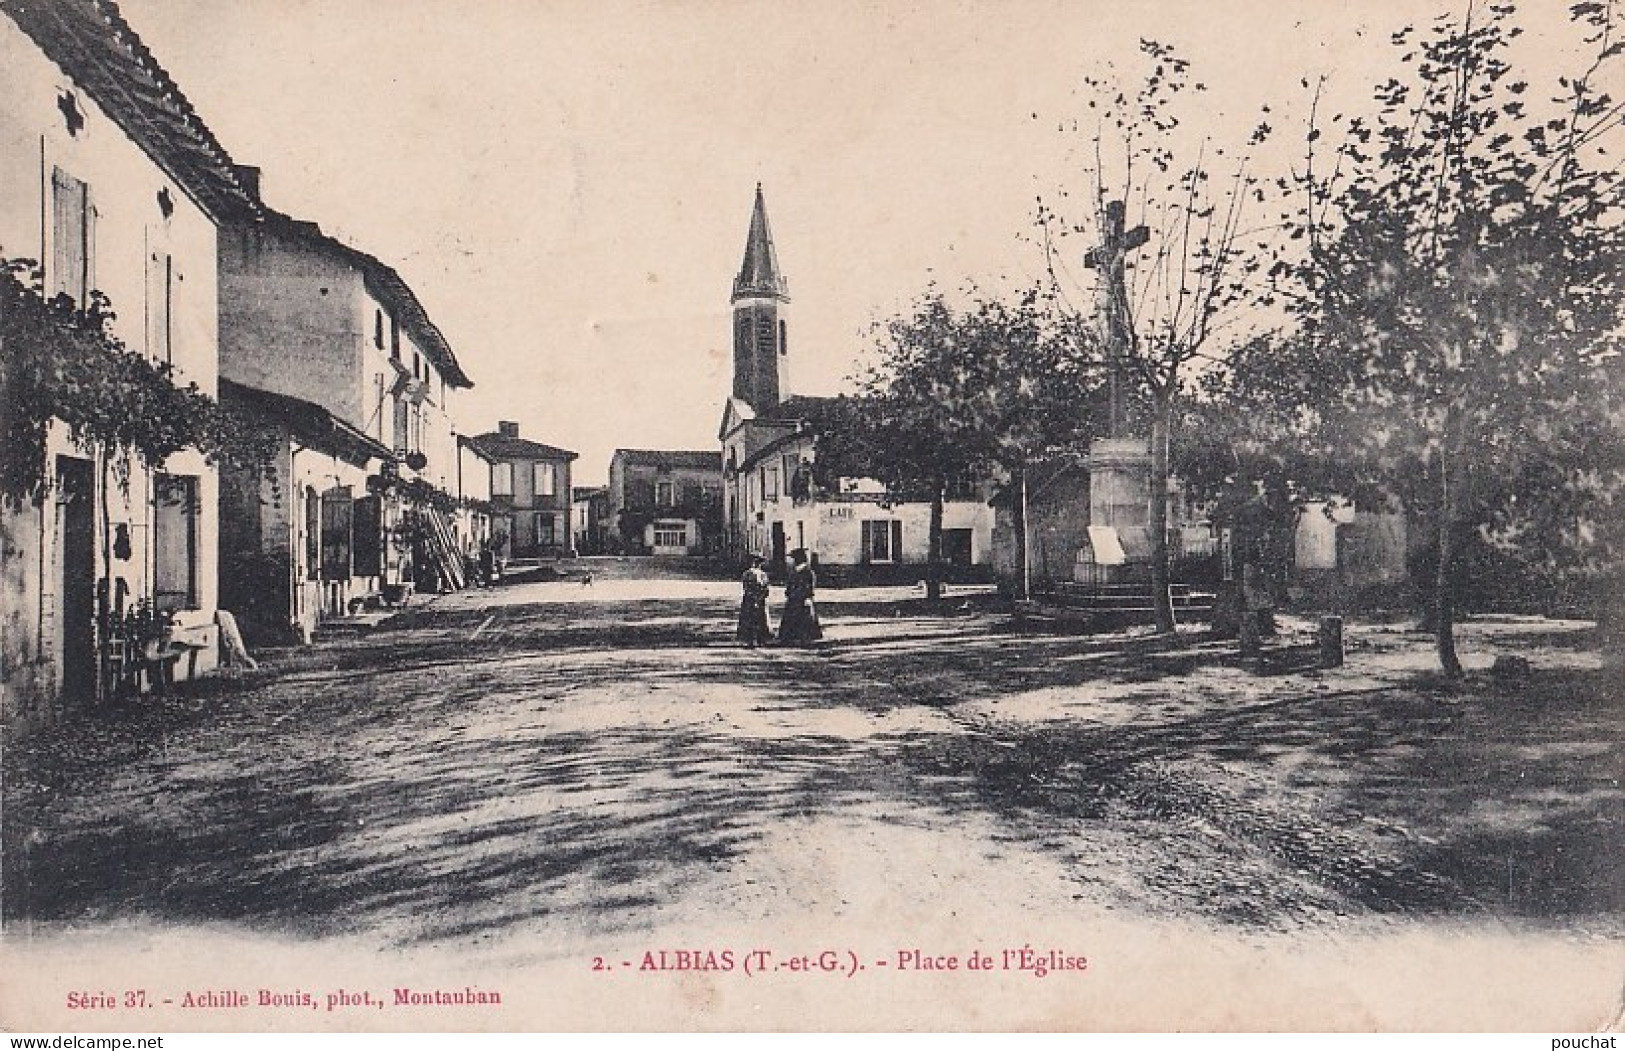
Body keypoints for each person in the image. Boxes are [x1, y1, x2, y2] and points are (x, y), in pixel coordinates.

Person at [777, 548, 823, 646]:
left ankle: (806, 638)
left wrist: (808, 596)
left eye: (795, 558)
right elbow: (790, 584)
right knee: (791, 617)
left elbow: (810, 586)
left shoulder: (808, 572)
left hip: (802, 599)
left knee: (805, 618)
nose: (793, 561)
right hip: (793, 599)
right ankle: (790, 637)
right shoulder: (794, 571)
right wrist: (788, 592)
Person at [737, 555, 773, 647]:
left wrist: (758, 597)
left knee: (756, 619)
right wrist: (760, 596)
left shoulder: (759, 574)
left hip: (753, 599)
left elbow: (764, 588)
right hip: (754, 599)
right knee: (755, 619)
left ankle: (756, 639)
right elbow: (748, 587)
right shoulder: (751, 574)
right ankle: (756, 639)